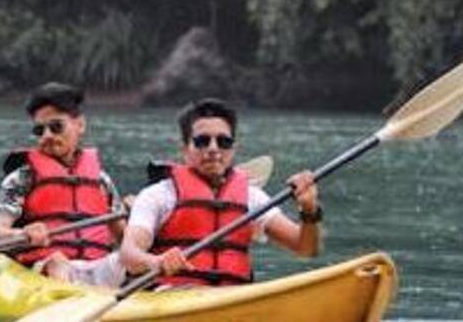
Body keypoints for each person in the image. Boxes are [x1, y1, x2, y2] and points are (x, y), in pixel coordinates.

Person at [117, 98, 321, 287]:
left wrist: (309, 211)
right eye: (202, 141)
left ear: (233, 149)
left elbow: (305, 248)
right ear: (185, 150)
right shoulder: (159, 195)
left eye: (223, 142)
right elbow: (128, 255)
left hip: (232, 297)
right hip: (170, 297)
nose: (213, 149)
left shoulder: (252, 197)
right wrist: (156, 261)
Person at [0, 83, 125, 274]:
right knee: (57, 262)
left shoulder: (102, 181)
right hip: (45, 270)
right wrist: (23, 233)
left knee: (126, 261)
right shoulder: (21, 178)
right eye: (39, 130)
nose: (47, 136)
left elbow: (125, 239)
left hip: (95, 267)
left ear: (80, 125)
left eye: (56, 127)